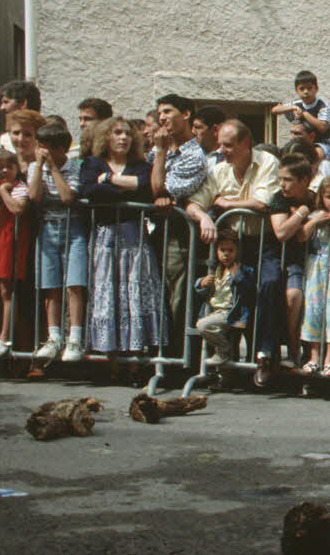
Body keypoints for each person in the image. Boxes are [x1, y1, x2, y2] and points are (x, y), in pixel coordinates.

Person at [186, 119, 281, 385]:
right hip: (235, 245)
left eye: (228, 145)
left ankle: (264, 357)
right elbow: (194, 202)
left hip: (264, 242)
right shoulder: (219, 170)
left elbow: (263, 202)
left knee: (269, 285)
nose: (222, 150)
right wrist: (204, 217)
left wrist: (227, 203)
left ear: (245, 143)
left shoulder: (268, 162)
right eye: (220, 145)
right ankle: (227, 367)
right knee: (229, 297)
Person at [80, 116, 165, 356]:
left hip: (134, 238)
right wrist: (128, 188)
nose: (123, 137)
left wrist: (109, 179)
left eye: (127, 133)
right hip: (105, 238)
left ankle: (135, 354)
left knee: (134, 291)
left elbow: (147, 188)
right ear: (106, 137)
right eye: (117, 132)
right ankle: (110, 355)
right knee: (108, 291)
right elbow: (90, 190)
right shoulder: (93, 163)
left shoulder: (141, 165)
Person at [149, 93, 210, 341]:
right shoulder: (158, 151)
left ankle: (174, 353)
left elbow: (158, 189)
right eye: (159, 113)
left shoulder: (194, 156)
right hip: (155, 230)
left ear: (185, 114)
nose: (162, 118)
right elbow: (144, 186)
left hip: (179, 235)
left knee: (176, 296)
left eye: (168, 111)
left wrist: (160, 153)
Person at [28, 121, 89, 366]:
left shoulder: (74, 167)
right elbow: (34, 196)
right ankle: (53, 337)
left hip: (73, 229)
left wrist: (53, 168)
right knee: (50, 285)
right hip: (48, 229)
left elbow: (67, 197)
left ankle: (75, 338)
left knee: (74, 284)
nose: (40, 152)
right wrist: (39, 167)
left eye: (45, 148)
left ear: (60, 149)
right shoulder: (36, 166)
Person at [267, 156, 316, 369]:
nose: (282, 184)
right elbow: (281, 232)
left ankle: (315, 357)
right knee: (293, 297)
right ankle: (294, 353)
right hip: (288, 261)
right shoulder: (279, 199)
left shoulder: (316, 197)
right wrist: (302, 214)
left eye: (287, 180)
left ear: (304, 180)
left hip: (316, 259)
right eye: (280, 179)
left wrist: (311, 218)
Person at [300, 176, 330, 377]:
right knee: (314, 310)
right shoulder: (317, 215)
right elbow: (302, 236)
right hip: (316, 268)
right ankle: (314, 356)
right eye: (329, 196)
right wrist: (314, 221)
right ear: (321, 197)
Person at [195, 228, 254, 367]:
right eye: (222, 250)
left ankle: (224, 350)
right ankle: (223, 374)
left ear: (237, 251)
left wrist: (238, 276)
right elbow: (205, 292)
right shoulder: (215, 269)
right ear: (216, 251)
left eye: (230, 250)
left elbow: (249, 290)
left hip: (230, 312)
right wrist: (201, 283)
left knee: (203, 325)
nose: (226, 254)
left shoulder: (243, 269)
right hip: (214, 311)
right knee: (213, 334)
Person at [0, 148, 30, 357]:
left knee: (6, 290)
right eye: (0, 167)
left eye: (9, 167)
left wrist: (3, 191)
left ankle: (4, 336)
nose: (4, 171)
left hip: (10, 242)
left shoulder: (19, 187)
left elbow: (17, 209)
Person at [272, 71, 330, 161]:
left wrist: (304, 114)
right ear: (296, 91)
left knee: (314, 159)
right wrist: (292, 108)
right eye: (302, 89)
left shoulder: (323, 106)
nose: (306, 92)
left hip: (323, 142)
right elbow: (275, 110)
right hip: (301, 141)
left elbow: (323, 127)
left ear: (316, 89)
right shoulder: (296, 104)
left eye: (309, 88)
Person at [0, 80, 41, 153]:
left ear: (23, 104)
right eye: (16, 133)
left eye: (6, 102)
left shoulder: (45, 137)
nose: (1, 108)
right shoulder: (4, 141)